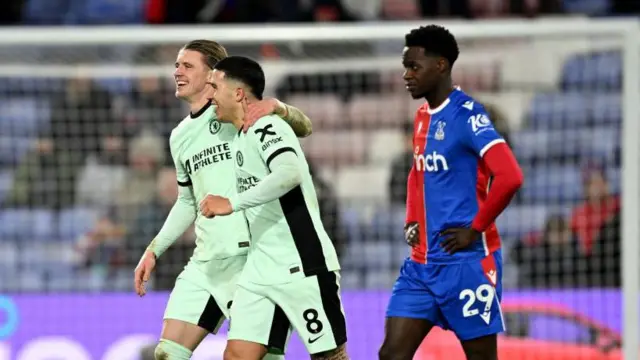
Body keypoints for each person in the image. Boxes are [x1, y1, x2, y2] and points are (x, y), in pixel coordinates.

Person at [133, 39, 315, 360]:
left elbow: (305, 127)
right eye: (176, 65)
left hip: (255, 262)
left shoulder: (239, 112)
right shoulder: (180, 136)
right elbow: (187, 201)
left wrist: (280, 107)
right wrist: (153, 250)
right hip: (208, 261)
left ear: (212, 75)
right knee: (166, 354)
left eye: (187, 65)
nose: (177, 71)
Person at [378, 25, 524, 360]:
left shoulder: (468, 115)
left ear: (441, 65)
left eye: (414, 67)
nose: (406, 75)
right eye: (405, 67)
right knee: (391, 355)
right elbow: (417, 173)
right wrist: (412, 219)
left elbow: (510, 176)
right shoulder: (420, 117)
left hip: (467, 264)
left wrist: (476, 228)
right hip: (422, 265)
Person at [199, 56, 348, 360]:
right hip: (259, 268)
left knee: (329, 357)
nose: (209, 93)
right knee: (238, 355)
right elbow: (304, 127)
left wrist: (232, 204)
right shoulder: (238, 132)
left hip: (301, 264)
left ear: (239, 93)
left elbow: (290, 173)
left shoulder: (266, 126)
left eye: (215, 86)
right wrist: (281, 107)